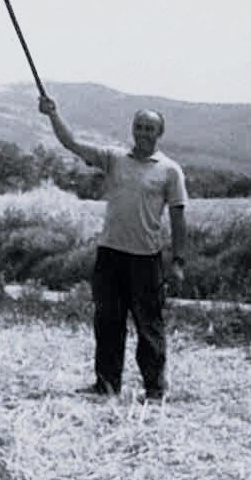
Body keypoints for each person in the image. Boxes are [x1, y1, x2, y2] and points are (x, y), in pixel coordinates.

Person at [39, 96, 189, 401]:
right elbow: (71, 143)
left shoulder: (170, 170)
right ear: (133, 129)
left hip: (146, 258)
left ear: (159, 133)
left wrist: (178, 262)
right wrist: (53, 114)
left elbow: (178, 217)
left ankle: (155, 390)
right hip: (110, 255)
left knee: (149, 325)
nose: (143, 132)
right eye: (139, 126)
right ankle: (106, 386)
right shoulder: (113, 158)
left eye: (149, 128)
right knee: (108, 322)